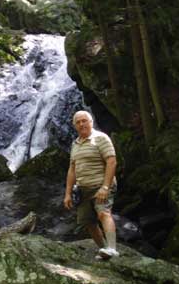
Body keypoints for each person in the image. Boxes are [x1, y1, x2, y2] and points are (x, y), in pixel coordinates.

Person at [63, 110, 119, 260]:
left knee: (103, 213)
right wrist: (68, 193)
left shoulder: (101, 138)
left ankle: (112, 248)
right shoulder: (75, 144)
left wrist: (105, 187)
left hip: (100, 185)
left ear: (91, 122)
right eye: (78, 122)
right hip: (82, 189)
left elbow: (112, 161)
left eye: (84, 120)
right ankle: (104, 250)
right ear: (74, 126)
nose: (82, 124)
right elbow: (72, 170)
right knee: (88, 222)